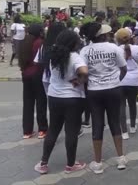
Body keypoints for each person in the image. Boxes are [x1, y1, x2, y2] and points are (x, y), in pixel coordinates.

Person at [34, 30, 88, 175]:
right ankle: (70, 165)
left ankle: (43, 163)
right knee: (71, 131)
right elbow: (84, 71)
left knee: (53, 130)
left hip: (54, 96)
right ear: (73, 43)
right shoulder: (75, 57)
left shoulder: (53, 56)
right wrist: (79, 80)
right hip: (73, 98)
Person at [80, 22, 128, 174]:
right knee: (115, 122)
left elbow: (83, 72)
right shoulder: (113, 48)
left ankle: (98, 162)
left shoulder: (85, 51)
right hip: (113, 89)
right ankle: (121, 158)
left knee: (97, 124)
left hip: (94, 91)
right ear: (102, 35)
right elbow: (124, 68)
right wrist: (116, 80)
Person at [19, 24, 48, 139]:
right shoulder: (40, 43)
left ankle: (27, 131)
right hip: (38, 74)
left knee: (28, 103)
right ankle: (42, 129)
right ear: (39, 32)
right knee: (41, 102)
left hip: (26, 74)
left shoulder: (24, 42)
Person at [115, 28, 138, 140]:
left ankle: (124, 131)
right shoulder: (136, 48)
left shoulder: (116, 49)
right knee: (133, 104)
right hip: (134, 80)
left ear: (117, 39)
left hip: (120, 79)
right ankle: (133, 126)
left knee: (121, 106)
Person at [35, 23, 67, 95]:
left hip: (47, 78)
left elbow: (37, 61)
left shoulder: (44, 46)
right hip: (63, 79)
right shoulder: (66, 46)